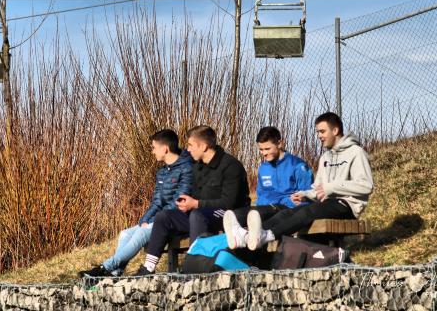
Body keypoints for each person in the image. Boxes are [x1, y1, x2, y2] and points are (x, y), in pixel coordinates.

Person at [246, 112, 374, 249]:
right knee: (287, 212)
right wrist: (305, 195)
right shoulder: (326, 157)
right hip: (326, 204)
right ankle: (250, 235)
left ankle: (268, 235)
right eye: (318, 132)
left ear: (335, 130)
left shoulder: (355, 152)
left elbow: (366, 185)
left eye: (322, 131)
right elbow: (318, 188)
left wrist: (332, 188)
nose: (319, 136)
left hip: (346, 205)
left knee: (305, 213)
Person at [135, 125, 250, 275]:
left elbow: (229, 203)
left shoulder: (231, 166)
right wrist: (186, 203)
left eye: (190, 145)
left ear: (203, 146)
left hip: (230, 215)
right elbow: (194, 196)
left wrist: (196, 204)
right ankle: (148, 267)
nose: (187, 150)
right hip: (200, 216)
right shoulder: (197, 167)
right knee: (165, 216)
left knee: (198, 214)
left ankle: (193, 266)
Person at [78, 129, 192, 277]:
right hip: (160, 219)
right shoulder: (162, 172)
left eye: (153, 148)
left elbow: (179, 202)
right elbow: (157, 202)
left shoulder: (186, 168)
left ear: (165, 149)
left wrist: (153, 221)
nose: (152, 152)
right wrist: (146, 219)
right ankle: (115, 273)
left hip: (175, 220)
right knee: (125, 233)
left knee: (142, 231)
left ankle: (104, 267)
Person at [223, 126, 313, 250]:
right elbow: (261, 194)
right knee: (239, 214)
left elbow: (308, 195)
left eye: (267, 148)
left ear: (280, 143)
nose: (264, 153)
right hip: (267, 208)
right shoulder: (263, 168)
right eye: (261, 149)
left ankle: (246, 237)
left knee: (261, 218)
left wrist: (299, 199)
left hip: (287, 208)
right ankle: (238, 231)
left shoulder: (298, 166)